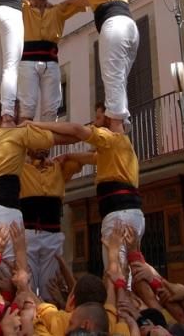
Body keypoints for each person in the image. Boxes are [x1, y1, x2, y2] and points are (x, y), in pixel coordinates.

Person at [25, 101, 145, 272]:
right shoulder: (118, 147)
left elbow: (76, 130)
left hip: (119, 214)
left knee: (116, 273)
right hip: (130, 213)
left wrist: (35, 124)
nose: (95, 123)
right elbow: (91, 158)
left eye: (98, 118)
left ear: (109, 118)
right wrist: (68, 155)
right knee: (129, 271)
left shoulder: (109, 139)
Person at [0, 97, 74, 266]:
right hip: (3, 211)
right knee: (12, 275)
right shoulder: (19, 134)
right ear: (12, 113)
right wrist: (36, 125)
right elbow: (71, 135)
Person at [52, 0, 139, 127]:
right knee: (119, 78)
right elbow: (79, 1)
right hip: (130, 28)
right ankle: (122, 120)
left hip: (114, 26)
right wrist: (59, 5)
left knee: (112, 78)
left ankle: (116, 128)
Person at [20, 148, 95, 300]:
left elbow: (88, 156)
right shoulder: (21, 169)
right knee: (27, 285)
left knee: (51, 286)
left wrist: (68, 155)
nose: (42, 150)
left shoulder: (59, 168)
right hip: (28, 236)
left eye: (45, 147)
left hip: (52, 236)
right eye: (38, 146)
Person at [18, 0, 86, 121]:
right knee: (26, 109)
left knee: (51, 111)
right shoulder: (22, 8)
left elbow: (83, 0)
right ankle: (25, 143)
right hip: (27, 62)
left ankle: (45, 145)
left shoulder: (58, 10)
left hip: (51, 63)